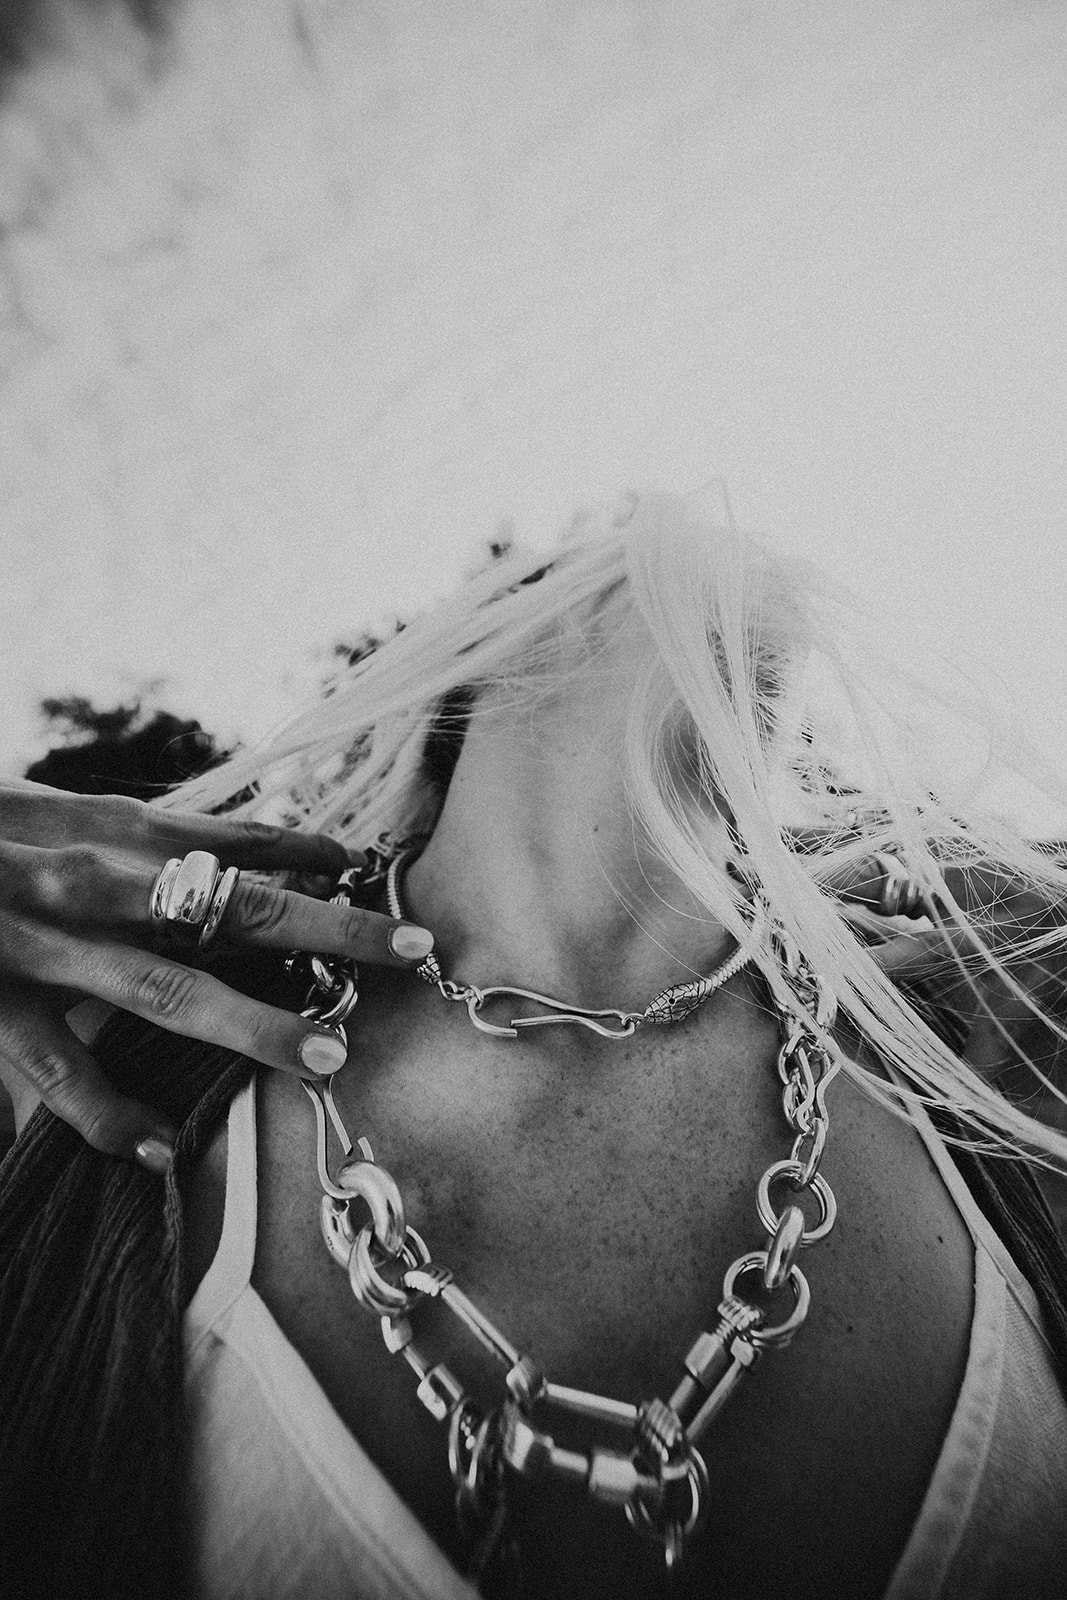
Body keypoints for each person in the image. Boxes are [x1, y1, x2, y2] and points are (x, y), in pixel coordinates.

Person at [1, 488, 1066, 1600]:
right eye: (590, 556)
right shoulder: (105, 1051)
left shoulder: (971, 1040)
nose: (670, 526)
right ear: (478, 662)